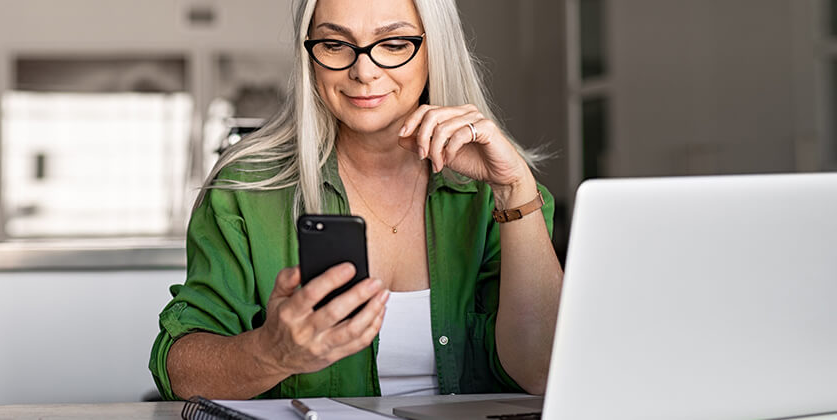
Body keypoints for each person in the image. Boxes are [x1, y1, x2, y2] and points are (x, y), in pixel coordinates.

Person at [149, 0, 564, 400]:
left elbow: (542, 372)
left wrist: (514, 190)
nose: (363, 71)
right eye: (334, 45)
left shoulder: (502, 194)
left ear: (435, 48)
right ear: (308, 54)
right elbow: (180, 373)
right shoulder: (246, 189)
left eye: (394, 44)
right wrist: (269, 353)